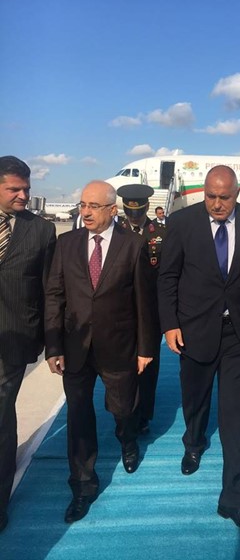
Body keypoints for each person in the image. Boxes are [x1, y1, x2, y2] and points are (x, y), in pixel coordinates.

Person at [158, 165, 240, 533]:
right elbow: (167, 276)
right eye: (210, 196)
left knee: (235, 414)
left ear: (237, 194)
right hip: (194, 330)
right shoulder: (182, 223)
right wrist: (170, 324)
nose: (216, 204)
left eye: (224, 197)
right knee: (194, 398)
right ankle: (193, 441)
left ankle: (234, 499)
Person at [45, 180, 159, 524]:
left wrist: (145, 348)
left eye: (94, 206)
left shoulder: (133, 246)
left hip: (119, 345)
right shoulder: (66, 244)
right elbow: (55, 295)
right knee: (79, 415)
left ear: (112, 209)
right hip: (75, 347)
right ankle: (83, 485)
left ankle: (127, 440)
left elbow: (144, 302)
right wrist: (53, 345)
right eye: (83, 205)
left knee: (123, 408)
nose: (86, 212)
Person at [0, 156, 56, 534]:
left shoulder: (41, 231)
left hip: (15, 337)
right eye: (14, 189)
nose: (23, 195)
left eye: (27, 189)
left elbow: (50, 291)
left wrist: (53, 343)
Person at [116, 184, 161, 434]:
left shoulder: (161, 233)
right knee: (122, 368)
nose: (134, 217)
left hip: (151, 312)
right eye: (129, 212)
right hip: (120, 312)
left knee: (149, 368)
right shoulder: (115, 232)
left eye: (139, 212)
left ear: (146, 208)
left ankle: (144, 415)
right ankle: (125, 414)